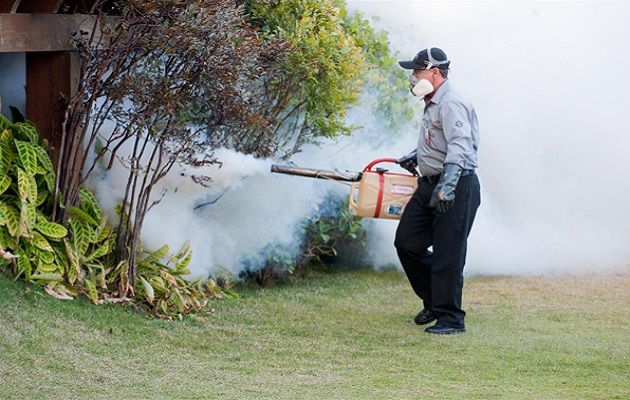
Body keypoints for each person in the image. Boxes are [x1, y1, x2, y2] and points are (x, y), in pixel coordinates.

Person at [394, 47, 481, 335]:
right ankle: (434, 300)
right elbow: (438, 141)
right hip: (430, 183)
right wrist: (416, 155)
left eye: (416, 71)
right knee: (407, 242)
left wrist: (447, 185)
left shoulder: (451, 102)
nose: (412, 76)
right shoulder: (432, 101)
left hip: (455, 185)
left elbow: (460, 145)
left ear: (434, 72)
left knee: (448, 254)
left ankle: (451, 319)